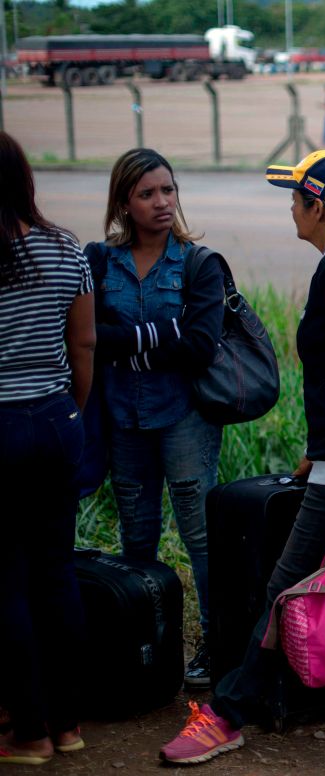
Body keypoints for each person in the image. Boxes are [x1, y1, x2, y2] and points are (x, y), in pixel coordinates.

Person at [160, 150, 325, 764]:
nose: (290, 206)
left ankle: (228, 714)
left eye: (296, 195)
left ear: (318, 205)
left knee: (284, 588)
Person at [90, 148, 226, 687]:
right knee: (137, 537)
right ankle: (147, 646)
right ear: (124, 202)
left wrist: (127, 342)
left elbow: (199, 346)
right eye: (147, 194)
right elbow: (92, 339)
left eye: (167, 190)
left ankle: (216, 645)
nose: (161, 202)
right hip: (125, 420)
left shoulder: (198, 263)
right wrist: (159, 337)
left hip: (185, 419)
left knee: (201, 539)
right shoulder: (100, 260)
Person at [0, 131, 94, 766]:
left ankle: (27, 731)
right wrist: (72, 410)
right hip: (59, 418)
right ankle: (67, 725)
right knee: (56, 574)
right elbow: (83, 346)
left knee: (7, 582)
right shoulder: (65, 247)